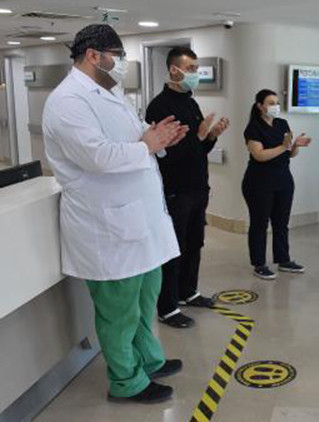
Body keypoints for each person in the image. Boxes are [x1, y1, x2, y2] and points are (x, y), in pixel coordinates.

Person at [43, 24, 189, 403]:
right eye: (118, 56)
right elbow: (96, 156)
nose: (122, 63)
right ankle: (126, 382)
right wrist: (147, 144)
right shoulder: (67, 101)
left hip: (140, 221)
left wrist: (160, 137)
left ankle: (149, 360)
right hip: (106, 226)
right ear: (94, 55)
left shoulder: (111, 92)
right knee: (119, 311)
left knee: (144, 300)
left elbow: (138, 134)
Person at [146, 47, 230, 329]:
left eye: (196, 68)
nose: (196, 74)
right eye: (191, 68)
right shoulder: (159, 107)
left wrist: (211, 136)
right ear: (174, 70)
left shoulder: (191, 104)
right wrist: (198, 137)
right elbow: (165, 154)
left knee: (195, 242)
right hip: (175, 189)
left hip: (197, 187)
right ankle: (168, 307)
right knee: (174, 248)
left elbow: (198, 149)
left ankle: (188, 292)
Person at [242, 89, 311, 280]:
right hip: (259, 182)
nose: (275, 106)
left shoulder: (282, 124)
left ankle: (283, 259)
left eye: (277, 103)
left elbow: (290, 153)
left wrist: (295, 146)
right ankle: (259, 264)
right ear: (260, 106)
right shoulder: (253, 128)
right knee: (260, 224)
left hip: (283, 180)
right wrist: (283, 146)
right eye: (271, 103)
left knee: (281, 223)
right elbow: (259, 155)